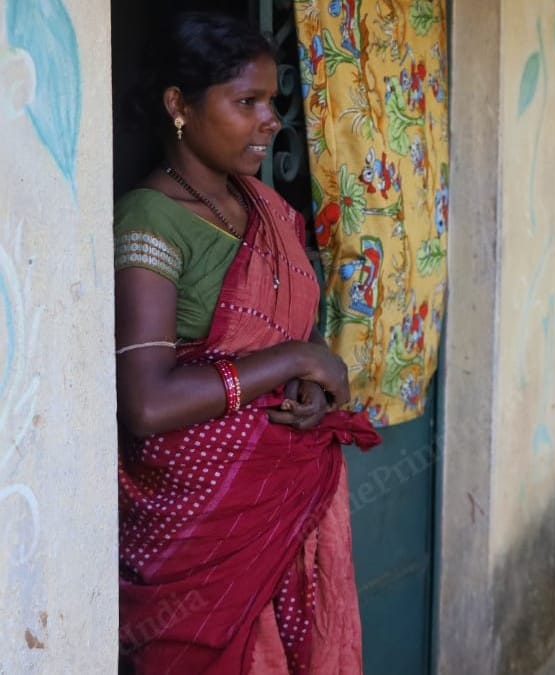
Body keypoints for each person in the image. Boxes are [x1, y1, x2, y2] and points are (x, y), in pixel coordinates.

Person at [114, 12, 380, 673]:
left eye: (273, 102)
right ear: (180, 105)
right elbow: (148, 402)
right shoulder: (150, 219)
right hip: (201, 536)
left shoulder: (265, 208)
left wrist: (306, 388)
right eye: (247, 102)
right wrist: (294, 359)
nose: (270, 121)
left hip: (284, 511)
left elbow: (284, 331)